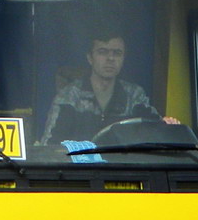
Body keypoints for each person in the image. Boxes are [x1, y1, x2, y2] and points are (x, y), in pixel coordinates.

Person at [40, 30, 175, 144]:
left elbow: (156, 131)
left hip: (122, 171)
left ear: (123, 58)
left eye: (117, 53)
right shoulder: (69, 96)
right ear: (90, 58)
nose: (110, 58)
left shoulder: (134, 96)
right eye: (102, 52)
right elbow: (49, 145)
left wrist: (166, 125)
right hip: (79, 171)